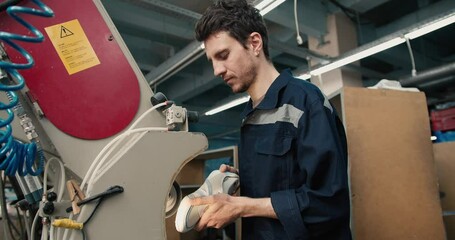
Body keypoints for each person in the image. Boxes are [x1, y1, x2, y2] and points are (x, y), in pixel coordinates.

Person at [191, 0, 351, 239]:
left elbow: (328, 204)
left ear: (254, 43)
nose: (217, 70)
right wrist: (238, 182)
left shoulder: (306, 102)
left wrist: (243, 206)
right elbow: (280, 183)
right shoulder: (250, 115)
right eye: (212, 60)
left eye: (223, 55)